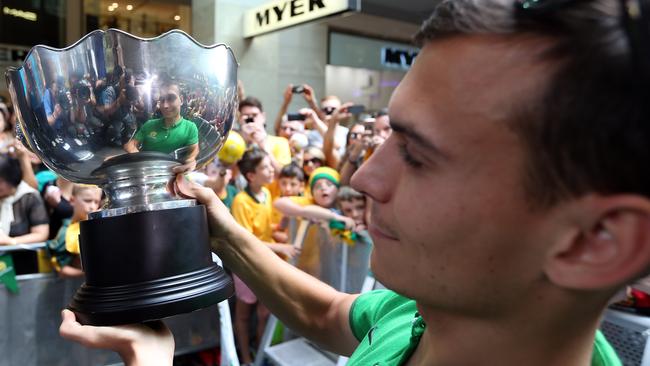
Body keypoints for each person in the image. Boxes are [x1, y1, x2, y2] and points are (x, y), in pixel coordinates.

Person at [61, 1, 650, 364]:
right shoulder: (417, 311)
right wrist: (228, 236)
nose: (366, 175)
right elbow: (332, 315)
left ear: (594, 239)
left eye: (418, 156)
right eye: (388, 135)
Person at [229, 148, 299, 365]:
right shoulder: (241, 200)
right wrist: (282, 248)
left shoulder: (267, 193)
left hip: (265, 262)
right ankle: (247, 358)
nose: (272, 170)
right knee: (243, 314)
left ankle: (260, 353)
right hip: (245, 265)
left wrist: (283, 225)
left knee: (264, 314)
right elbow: (246, 240)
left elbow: (265, 228)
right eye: (266, 167)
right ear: (251, 175)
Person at [124, 82, 199, 172]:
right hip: (144, 173)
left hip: (170, 176)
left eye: (171, 98)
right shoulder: (149, 124)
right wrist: (141, 159)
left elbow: (194, 149)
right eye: (162, 100)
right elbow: (131, 144)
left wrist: (191, 159)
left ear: (181, 100)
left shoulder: (190, 128)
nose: (165, 105)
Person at [0, 155, 49, 274]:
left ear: (10, 178)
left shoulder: (29, 197)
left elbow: (41, 234)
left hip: (24, 264)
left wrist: (11, 241)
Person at [47, 184, 102, 278]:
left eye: (96, 202)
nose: (92, 206)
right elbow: (61, 269)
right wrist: (89, 275)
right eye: (87, 201)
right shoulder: (67, 231)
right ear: (72, 200)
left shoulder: (101, 226)